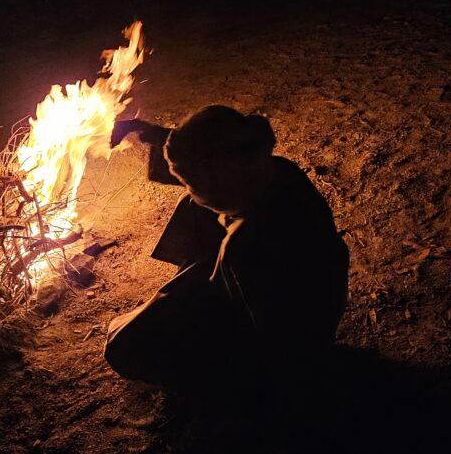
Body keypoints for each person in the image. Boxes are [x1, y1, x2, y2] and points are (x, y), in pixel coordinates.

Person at [104, 105, 350, 404]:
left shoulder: (246, 246)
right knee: (193, 207)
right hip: (292, 284)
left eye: (196, 185)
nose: (191, 190)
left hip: (288, 334)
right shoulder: (269, 169)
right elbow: (213, 156)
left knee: (124, 344)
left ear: (223, 185)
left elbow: (276, 342)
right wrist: (153, 134)